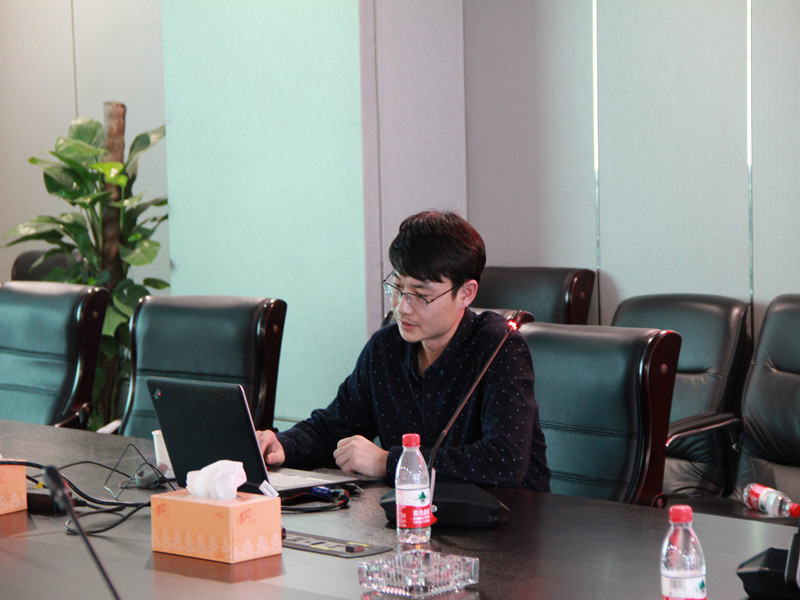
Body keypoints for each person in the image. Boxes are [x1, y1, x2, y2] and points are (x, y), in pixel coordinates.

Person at [258, 211, 550, 491]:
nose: (402, 307)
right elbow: (335, 426)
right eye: (397, 287)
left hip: (507, 518)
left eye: (421, 295)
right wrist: (283, 445)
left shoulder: (500, 347)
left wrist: (389, 462)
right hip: (413, 514)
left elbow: (503, 461)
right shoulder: (385, 348)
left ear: (466, 293)